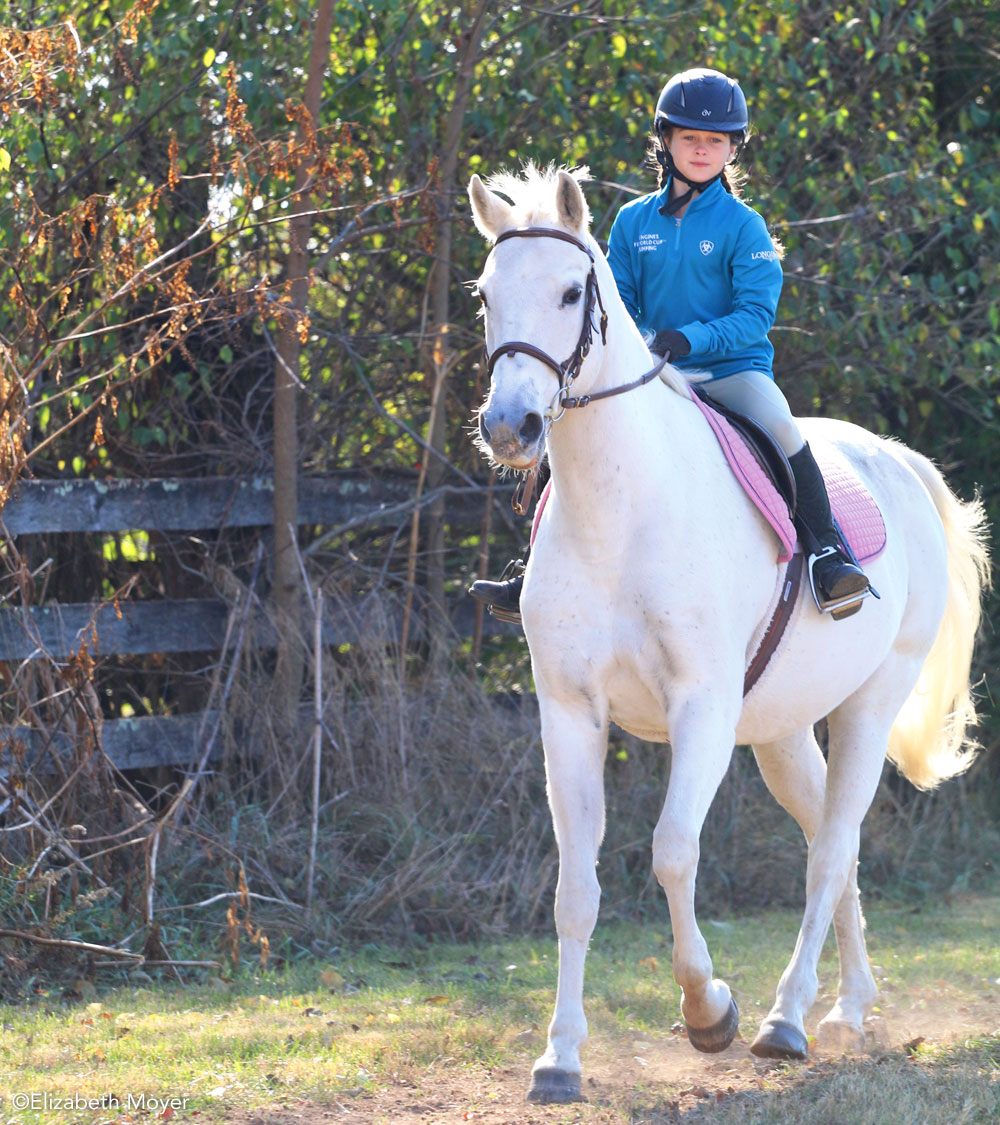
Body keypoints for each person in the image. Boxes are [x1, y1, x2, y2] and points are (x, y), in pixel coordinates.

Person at [470, 67, 870, 622]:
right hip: (651, 372)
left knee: (779, 423)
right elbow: (615, 304)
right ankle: (536, 562)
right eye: (690, 138)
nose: (702, 150)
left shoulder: (745, 226)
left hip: (730, 372)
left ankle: (828, 553)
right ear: (666, 141)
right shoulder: (633, 222)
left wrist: (692, 338)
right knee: (573, 429)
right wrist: (644, 347)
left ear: (733, 148)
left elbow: (755, 316)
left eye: (715, 141)